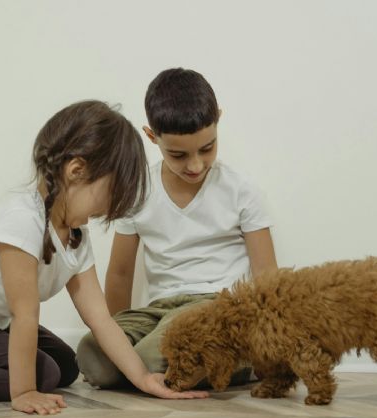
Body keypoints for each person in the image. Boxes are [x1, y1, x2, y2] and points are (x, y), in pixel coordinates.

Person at [0, 100, 208, 415]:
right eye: (110, 195)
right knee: (43, 375)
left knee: (66, 365)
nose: (108, 209)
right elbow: (25, 314)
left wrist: (142, 378)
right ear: (76, 170)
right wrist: (23, 394)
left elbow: (100, 319)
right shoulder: (21, 221)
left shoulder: (77, 236)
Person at [77, 69, 278, 388]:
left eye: (207, 148)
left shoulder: (241, 190)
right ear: (151, 136)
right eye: (178, 155)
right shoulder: (140, 190)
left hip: (220, 304)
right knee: (92, 353)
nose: (196, 165)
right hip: (160, 310)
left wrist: (270, 347)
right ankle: (169, 369)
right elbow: (119, 273)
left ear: (218, 122)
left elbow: (268, 277)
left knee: (155, 352)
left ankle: (227, 358)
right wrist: (116, 336)